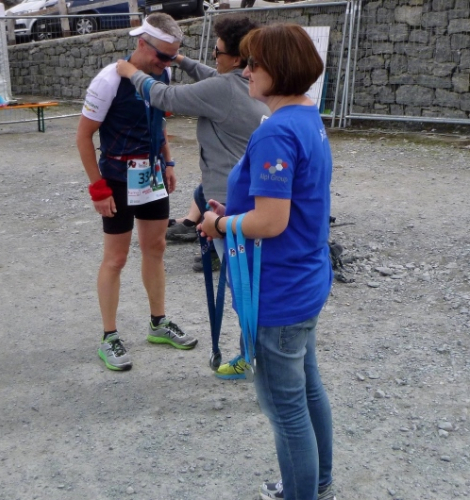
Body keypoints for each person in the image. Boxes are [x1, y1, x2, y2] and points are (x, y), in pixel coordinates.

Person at [197, 23, 335, 500]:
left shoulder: (276, 131)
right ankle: (316, 482)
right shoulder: (306, 116)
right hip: (304, 278)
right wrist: (235, 213)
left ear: (279, 68)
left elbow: (272, 221)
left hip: (279, 291)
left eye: (254, 63)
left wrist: (220, 225)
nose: (245, 70)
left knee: (285, 407)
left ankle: (302, 492)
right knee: (307, 388)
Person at [76, 13, 198, 371]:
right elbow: (83, 136)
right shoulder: (109, 80)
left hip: (152, 174)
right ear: (142, 44)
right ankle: (109, 336)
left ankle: (158, 323)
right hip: (117, 177)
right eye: (162, 56)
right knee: (116, 258)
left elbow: (159, 123)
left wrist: (168, 161)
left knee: (156, 248)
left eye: (172, 57)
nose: (167, 63)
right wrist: (98, 188)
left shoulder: (163, 75)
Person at [116, 14, 269, 272]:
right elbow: (213, 76)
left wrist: (132, 73)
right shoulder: (251, 82)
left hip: (228, 195)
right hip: (249, 185)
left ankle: (221, 247)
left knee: (239, 275)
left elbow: (165, 96)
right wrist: (179, 59)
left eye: (217, 52)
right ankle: (215, 240)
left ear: (235, 59)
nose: (213, 56)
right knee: (200, 193)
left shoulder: (223, 90)